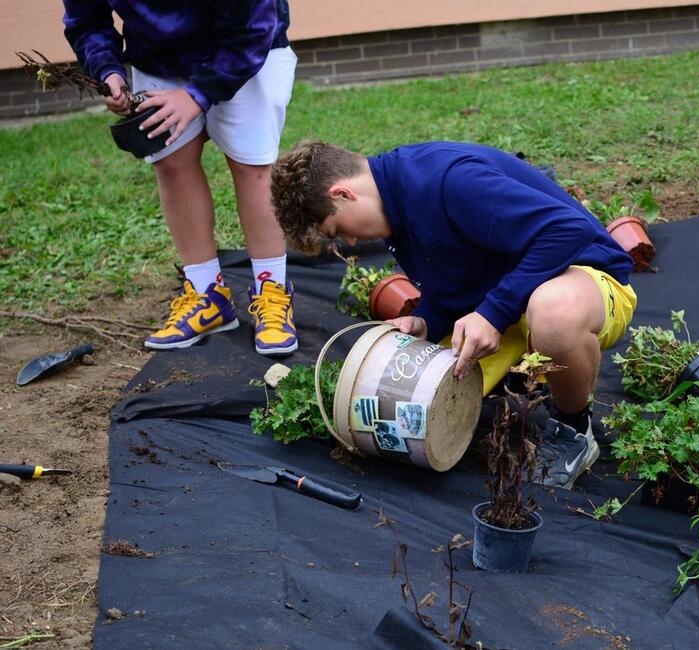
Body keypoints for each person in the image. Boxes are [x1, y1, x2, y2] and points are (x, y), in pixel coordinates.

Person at [270, 140, 638, 489]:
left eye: (337, 230)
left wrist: (493, 314)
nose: (349, 242)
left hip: (583, 275)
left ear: (343, 194)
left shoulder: (447, 180)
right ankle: (529, 372)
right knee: (419, 399)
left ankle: (574, 431)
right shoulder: (396, 205)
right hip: (521, 298)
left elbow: (567, 229)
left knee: (553, 315)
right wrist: (427, 319)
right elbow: (453, 283)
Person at [62, 0, 299, 356]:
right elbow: (86, 19)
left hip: (243, 48)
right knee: (172, 164)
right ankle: (208, 296)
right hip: (158, 57)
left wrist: (197, 95)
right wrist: (108, 70)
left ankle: (272, 292)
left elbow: (253, 27)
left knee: (253, 167)